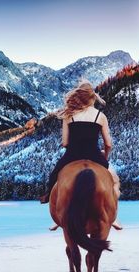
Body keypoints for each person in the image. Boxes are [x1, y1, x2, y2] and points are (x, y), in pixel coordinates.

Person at [39, 80, 122, 230]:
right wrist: (105, 156)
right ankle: (113, 216)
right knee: (114, 181)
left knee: (54, 178)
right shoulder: (100, 116)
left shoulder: (69, 115)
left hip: (72, 155)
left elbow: (65, 143)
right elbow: (108, 144)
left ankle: (57, 214)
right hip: (95, 155)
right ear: (92, 98)